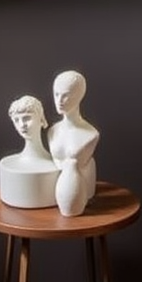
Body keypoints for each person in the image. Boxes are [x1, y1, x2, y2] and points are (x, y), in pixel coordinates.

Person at [48, 70, 99, 200]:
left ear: (79, 96)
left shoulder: (91, 134)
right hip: (54, 196)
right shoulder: (52, 131)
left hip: (81, 195)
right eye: (56, 94)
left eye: (65, 95)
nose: (59, 100)